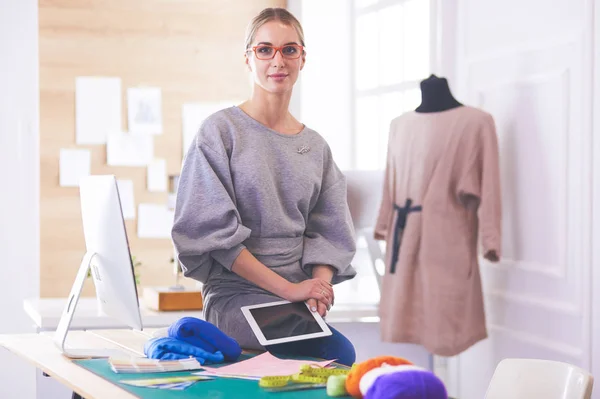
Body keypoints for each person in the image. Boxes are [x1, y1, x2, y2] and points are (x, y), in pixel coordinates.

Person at [171, 7, 357, 366]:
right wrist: (291, 290)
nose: (278, 60)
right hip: (236, 295)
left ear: (303, 58)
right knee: (331, 352)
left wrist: (318, 289)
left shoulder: (316, 146)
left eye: (289, 50)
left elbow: (331, 232)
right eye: (265, 49)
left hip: (298, 299)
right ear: (248, 59)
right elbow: (211, 233)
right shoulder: (220, 132)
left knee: (337, 355)